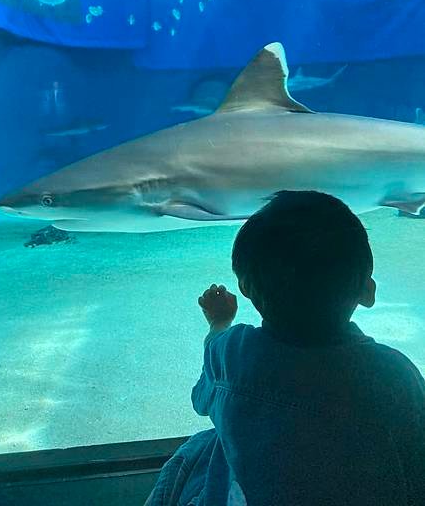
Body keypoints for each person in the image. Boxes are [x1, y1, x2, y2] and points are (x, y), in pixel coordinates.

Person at [145, 191, 425, 506]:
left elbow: (202, 397)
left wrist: (218, 322)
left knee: (199, 449)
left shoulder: (233, 355)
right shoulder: (396, 374)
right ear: (367, 292)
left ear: (245, 288)